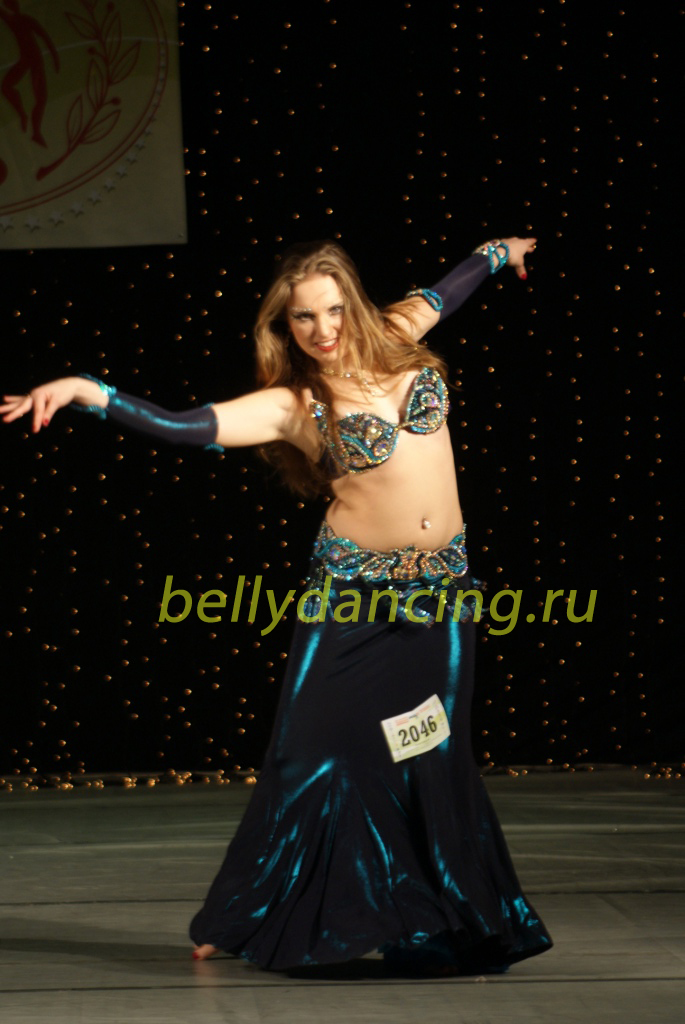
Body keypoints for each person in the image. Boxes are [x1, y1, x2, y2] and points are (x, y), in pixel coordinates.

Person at [1, 236, 553, 976]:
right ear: (284, 326)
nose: (322, 330)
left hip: (440, 601)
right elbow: (186, 424)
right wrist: (88, 391)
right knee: (309, 754)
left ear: (355, 304)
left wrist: (499, 252)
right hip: (351, 604)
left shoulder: (398, 332)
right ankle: (245, 914)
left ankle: (448, 912)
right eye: (303, 318)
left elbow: (449, 288)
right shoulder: (294, 403)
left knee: (427, 748)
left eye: (333, 310)